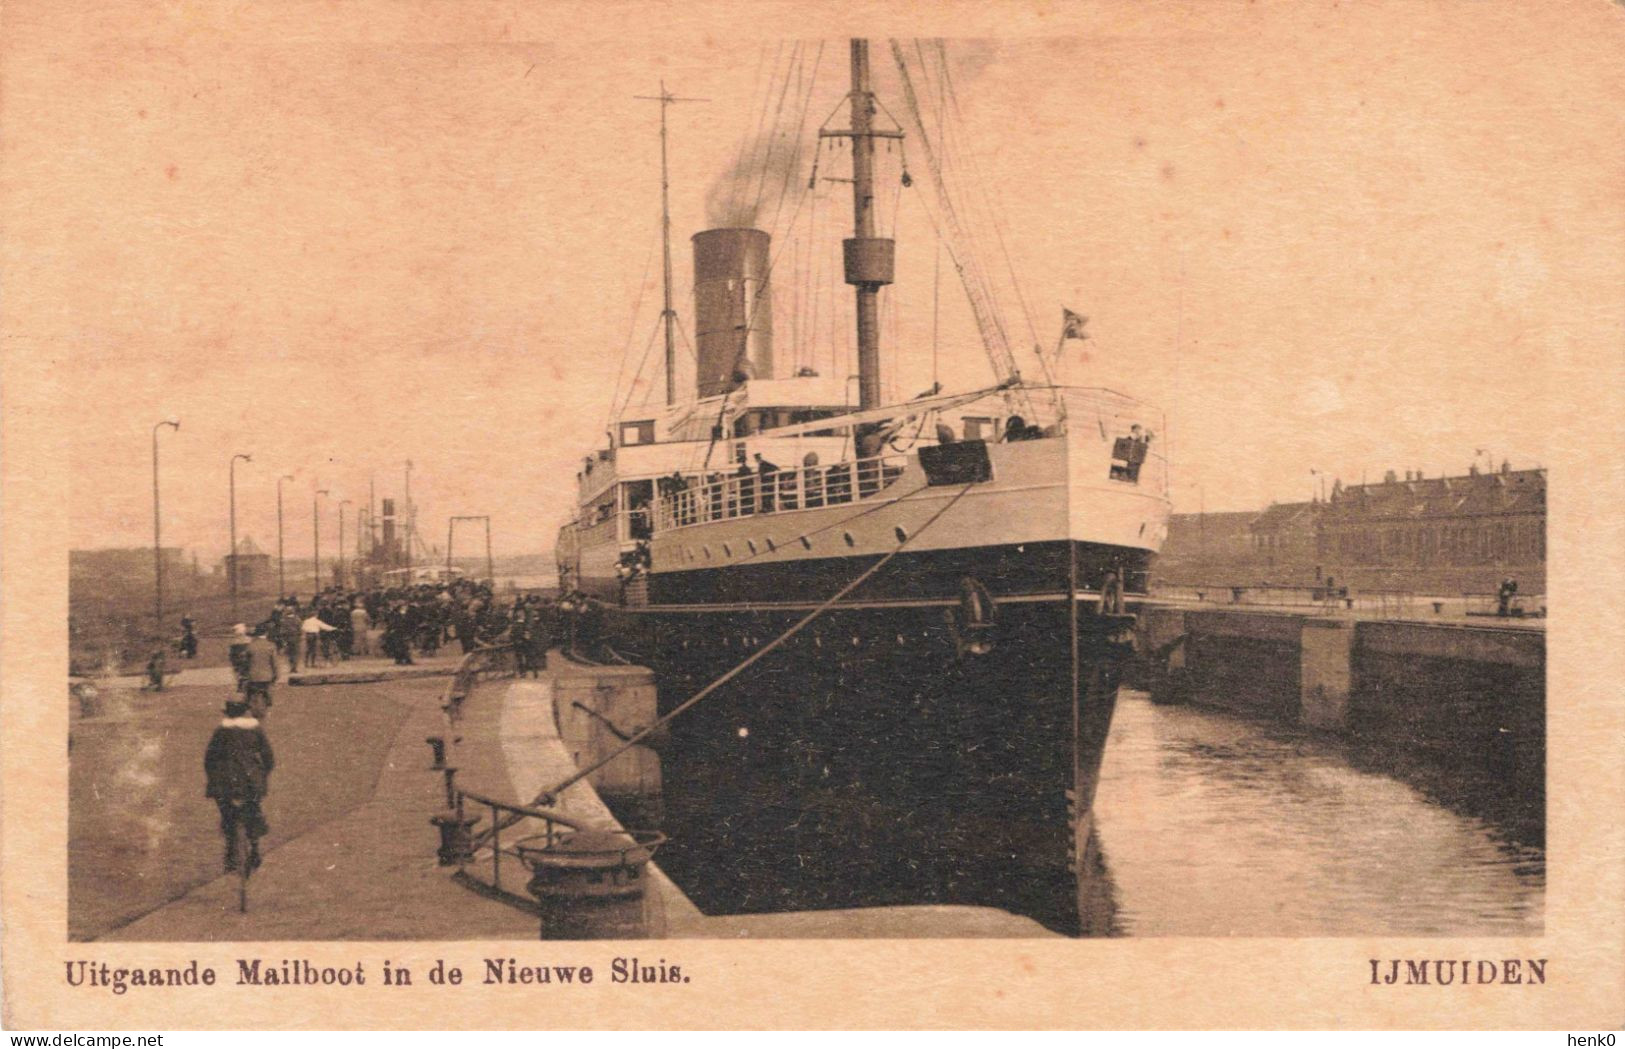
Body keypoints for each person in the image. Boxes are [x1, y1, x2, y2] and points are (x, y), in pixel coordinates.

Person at [204, 698, 274, 873]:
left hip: (225, 783)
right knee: (253, 810)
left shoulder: (221, 730)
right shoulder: (256, 729)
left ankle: (230, 851)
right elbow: (269, 758)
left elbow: (209, 759)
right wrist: (262, 776)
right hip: (251, 781)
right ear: (245, 712)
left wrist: (213, 777)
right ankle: (255, 848)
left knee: (227, 813)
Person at [241, 625, 280, 720]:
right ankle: (269, 703)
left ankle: (247, 703)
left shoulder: (251, 646)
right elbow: (274, 663)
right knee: (268, 689)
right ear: (266, 634)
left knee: (248, 690)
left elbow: (245, 662)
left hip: (253, 675)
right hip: (267, 675)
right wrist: (276, 674)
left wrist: (244, 673)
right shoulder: (271, 646)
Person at [227, 624, 252, 688]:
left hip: (239, 661)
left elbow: (231, 655)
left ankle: (242, 684)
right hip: (246, 660)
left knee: (241, 674)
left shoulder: (234, 642)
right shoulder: (250, 640)